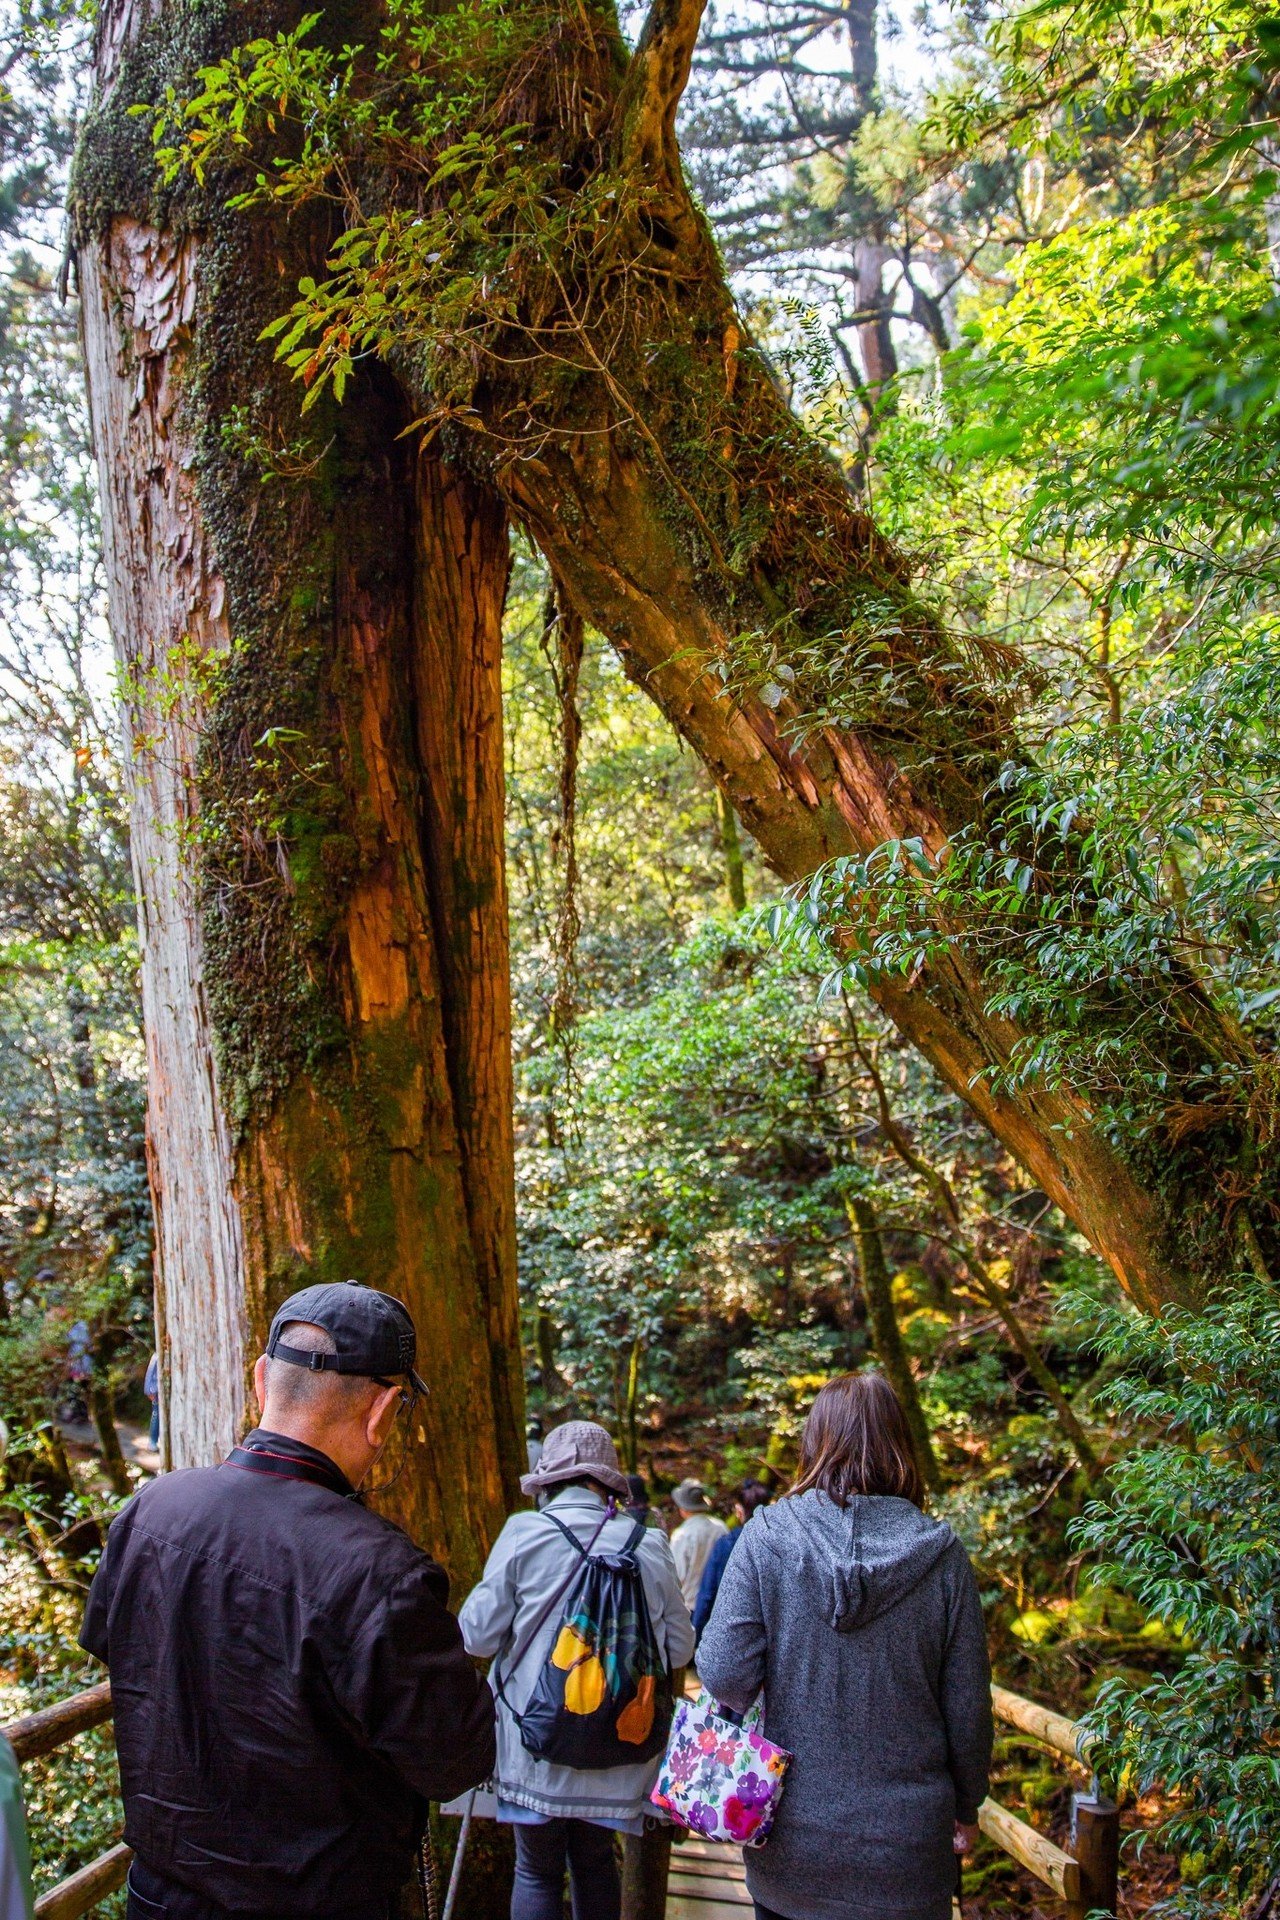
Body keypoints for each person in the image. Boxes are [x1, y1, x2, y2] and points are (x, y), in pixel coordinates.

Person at [80, 1280, 496, 1920]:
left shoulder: (152, 1509)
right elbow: (453, 1760)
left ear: (261, 1380)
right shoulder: (381, 1572)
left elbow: (118, 1651)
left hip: (159, 1895)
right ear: (384, 1412)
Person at [698, 1372, 992, 1920]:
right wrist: (967, 1805)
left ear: (815, 1442)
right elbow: (969, 1710)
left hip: (790, 1838)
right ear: (901, 1445)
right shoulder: (944, 1558)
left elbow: (721, 1670)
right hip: (907, 1855)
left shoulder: (768, 1538)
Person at [459, 1421, 695, 1920]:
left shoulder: (525, 1532)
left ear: (546, 1482)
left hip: (534, 1746)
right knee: (594, 1865)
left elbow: (474, 1636)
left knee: (536, 1872)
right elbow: (678, 1650)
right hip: (620, 1749)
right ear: (608, 1484)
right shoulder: (647, 1542)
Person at [692, 1479, 772, 1639]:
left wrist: (697, 1631)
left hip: (734, 1632)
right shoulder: (780, 1542)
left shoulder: (726, 1545)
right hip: (773, 1634)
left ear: (739, 1510)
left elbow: (708, 1593)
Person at [669, 1478, 729, 1616]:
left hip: (689, 1605)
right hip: (717, 1604)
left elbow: (677, 1575)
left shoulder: (682, 1535)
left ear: (683, 1508)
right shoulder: (721, 1528)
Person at [143, 1350, 159, 1449]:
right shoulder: (156, 1356)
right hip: (156, 1391)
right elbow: (149, 1375)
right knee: (156, 1415)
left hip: (160, 1390)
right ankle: (153, 1441)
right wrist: (149, 1390)